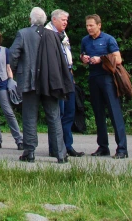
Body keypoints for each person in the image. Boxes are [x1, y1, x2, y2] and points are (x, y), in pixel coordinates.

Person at [10, 7, 73, 163]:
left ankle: (29, 152)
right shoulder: (53, 35)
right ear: (45, 20)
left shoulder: (23, 33)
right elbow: (60, 58)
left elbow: (13, 55)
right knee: (54, 116)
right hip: (49, 82)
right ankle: (61, 153)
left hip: (29, 82)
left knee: (30, 116)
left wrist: (18, 70)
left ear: (30, 20)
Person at [81, 14, 128, 159]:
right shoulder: (85, 40)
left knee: (114, 112)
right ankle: (103, 147)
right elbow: (82, 58)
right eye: (87, 25)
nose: (89, 28)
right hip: (93, 78)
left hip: (107, 78)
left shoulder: (108, 39)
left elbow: (118, 59)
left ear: (99, 25)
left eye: (91, 25)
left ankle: (122, 149)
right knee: (98, 112)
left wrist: (101, 59)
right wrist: (84, 58)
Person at [46, 9, 84, 158]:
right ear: (54, 20)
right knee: (58, 112)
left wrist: (71, 73)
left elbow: (66, 53)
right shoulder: (47, 33)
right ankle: (55, 147)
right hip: (56, 76)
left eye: (66, 20)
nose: (65, 23)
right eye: (63, 20)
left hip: (67, 74)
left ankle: (67, 145)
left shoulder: (63, 33)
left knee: (69, 111)